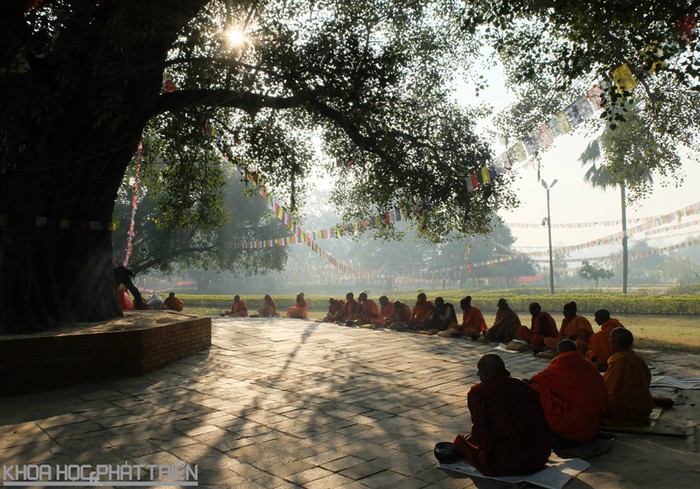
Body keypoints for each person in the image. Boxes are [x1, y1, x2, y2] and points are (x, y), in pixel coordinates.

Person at [453, 354, 552, 476]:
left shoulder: (479, 392)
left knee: (459, 442)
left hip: (509, 461)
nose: (478, 374)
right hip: (539, 456)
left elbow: (481, 434)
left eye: (481, 369)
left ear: (490, 371)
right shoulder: (521, 386)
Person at [529, 340, 609, 446]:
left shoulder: (560, 364)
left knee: (535, 389)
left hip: (573, 425)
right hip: (593, 423)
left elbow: (534, 380)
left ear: (558, 353)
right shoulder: (589, 365)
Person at [601, 328, 655, 427]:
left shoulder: (621, 362)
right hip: (642, 407)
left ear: (617, 342)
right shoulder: (635, 357)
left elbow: (610, 391)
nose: (609, 340)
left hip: (628, 410)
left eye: (611, 338)